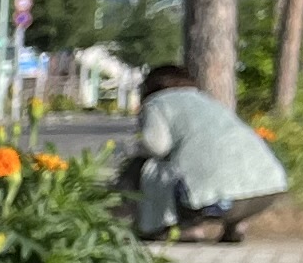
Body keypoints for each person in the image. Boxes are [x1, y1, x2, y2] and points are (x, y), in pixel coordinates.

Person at [120, 64, 289, 241]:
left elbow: (157, 146)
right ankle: (236, 224)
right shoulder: (207, 100)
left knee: (150, 169)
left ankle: (188, 228)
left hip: (217, 201)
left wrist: (135, 148)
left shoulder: (157, 103)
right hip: (267, 190)